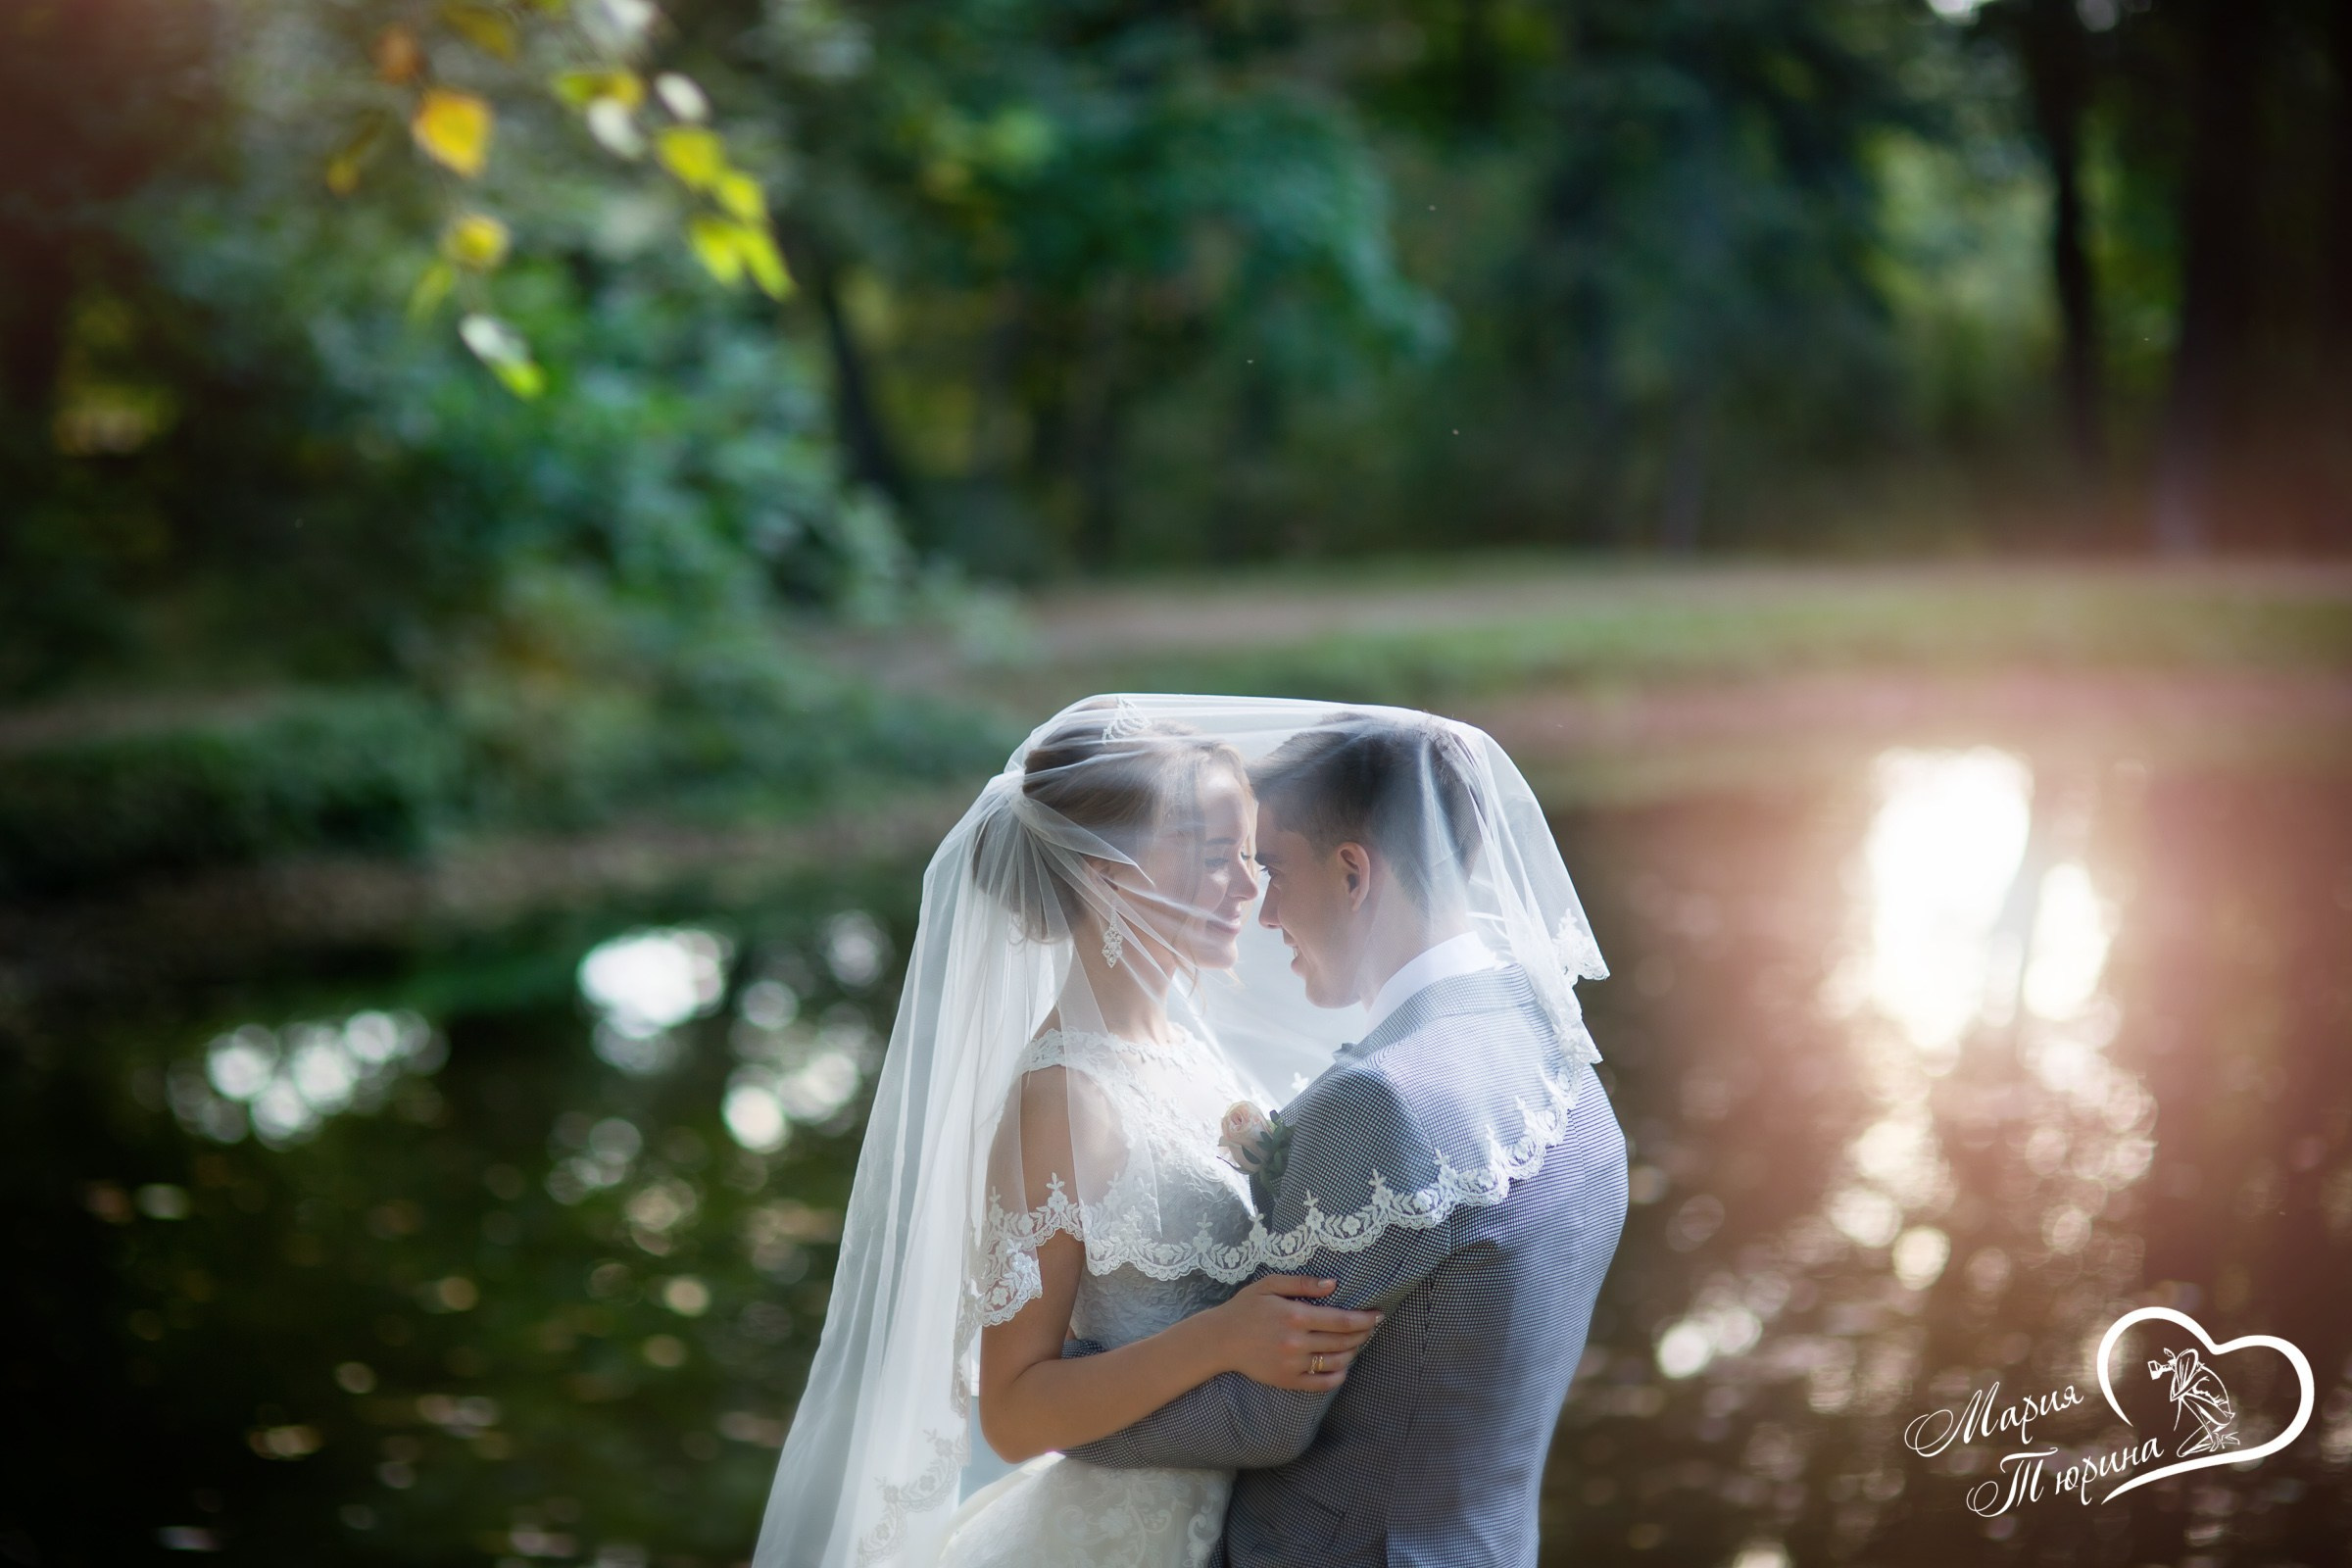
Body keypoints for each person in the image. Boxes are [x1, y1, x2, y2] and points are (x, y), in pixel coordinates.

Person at [753, 698, 1621, 1568]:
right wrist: (1219, 1338)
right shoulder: (1061, 1101)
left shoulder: (1192, 1053)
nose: (1251, 887)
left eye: (1253, 854)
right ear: (1110, 872)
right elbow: (1013, 1413)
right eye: (1218, 857)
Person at [1060, 710, 1632, 1566]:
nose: (1264, 911)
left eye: (1275, 869)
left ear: (1354, 872)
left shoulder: (1377, 1098)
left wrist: (1059, 1401)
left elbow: (1261, 1418)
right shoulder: (1545, 1026)